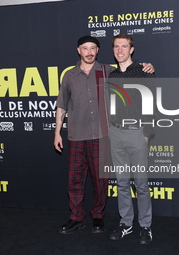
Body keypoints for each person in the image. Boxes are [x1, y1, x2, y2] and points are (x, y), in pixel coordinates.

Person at [54, 35, 154, 235]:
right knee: (75, 179)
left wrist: (147, 66)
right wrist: (57, 132)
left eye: (93, 48)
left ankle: (98, 215)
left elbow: (131, 72)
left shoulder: (108, 71)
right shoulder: (69, 75)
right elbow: (62, 105)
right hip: (76, 135)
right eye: (85, 48)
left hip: (103, 135)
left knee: (102, 180)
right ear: (79, 50)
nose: (89, 52)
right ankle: (76, 217)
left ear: (98, 51)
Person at [107, 33, 155, 244]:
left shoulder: (145, 72)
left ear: (131, 49)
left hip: (137, 133)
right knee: (122, 183)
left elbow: (152, 103)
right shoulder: (112, 75)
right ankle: (126, 223)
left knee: (141, 184)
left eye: (124, 46)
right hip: (116, 133)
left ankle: (145, 226)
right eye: (116, 47)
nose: (120, 50)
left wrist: (147, 134)